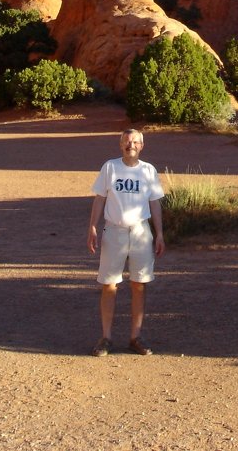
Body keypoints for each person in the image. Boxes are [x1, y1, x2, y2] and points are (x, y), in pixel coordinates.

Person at [87, 128, 166, 356]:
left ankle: (136, 337)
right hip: (114, 231)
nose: (130, 145)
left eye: (135, 142)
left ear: (142, 146)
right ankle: (106, 337)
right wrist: (92, 226)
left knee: (139, 284)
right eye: (126, 141)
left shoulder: (148, 171)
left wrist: (159, 233)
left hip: (141, 231)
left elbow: (155, 204)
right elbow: (100, 198)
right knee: (109, 284)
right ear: (121, 145)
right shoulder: (110, 167)